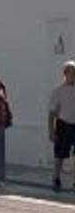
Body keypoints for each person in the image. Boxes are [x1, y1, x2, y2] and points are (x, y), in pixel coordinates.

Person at [48, 61, 75, 192]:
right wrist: (51, 131)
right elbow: (51, 113)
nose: (74, 75)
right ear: (65, 74)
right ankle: (56, 177)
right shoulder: (58, 90)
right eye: (72, 72)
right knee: (59, 155)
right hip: (63, 125)